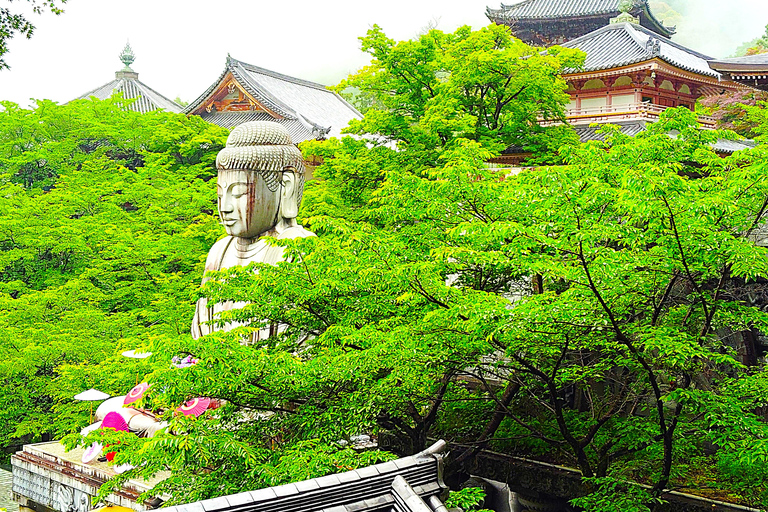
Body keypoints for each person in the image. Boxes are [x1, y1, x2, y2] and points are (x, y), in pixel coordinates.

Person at [191, 121, 314, 341]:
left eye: (238, 194)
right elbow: (200, 333)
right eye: (220, 195)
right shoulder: (219, 251)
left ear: (285, 186)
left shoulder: (299, 249)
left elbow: (303, 343)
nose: (225, 207)